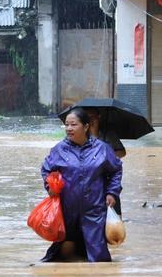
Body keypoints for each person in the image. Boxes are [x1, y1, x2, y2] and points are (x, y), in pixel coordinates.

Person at [40, 108, 122, 262]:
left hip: (94, 209)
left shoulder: (102, 149)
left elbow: (116, 170)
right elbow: (46, 170)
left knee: (99, 258)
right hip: (67, 209)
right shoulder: (59, 150)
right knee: (62, 255)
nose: (69, 129)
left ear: (86, 127)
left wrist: (112, 192)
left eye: (73, 125)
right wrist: (50, 186)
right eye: (67, 125)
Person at [86, 108, 125, 216]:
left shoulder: (108, 134)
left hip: (109, 183)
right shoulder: (81, 136)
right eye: (88, 118)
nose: (91, 120)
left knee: (114, 224)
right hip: (90, 186)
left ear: (99, 117)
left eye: (93, 117)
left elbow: (122, 153)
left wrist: (107, 156)